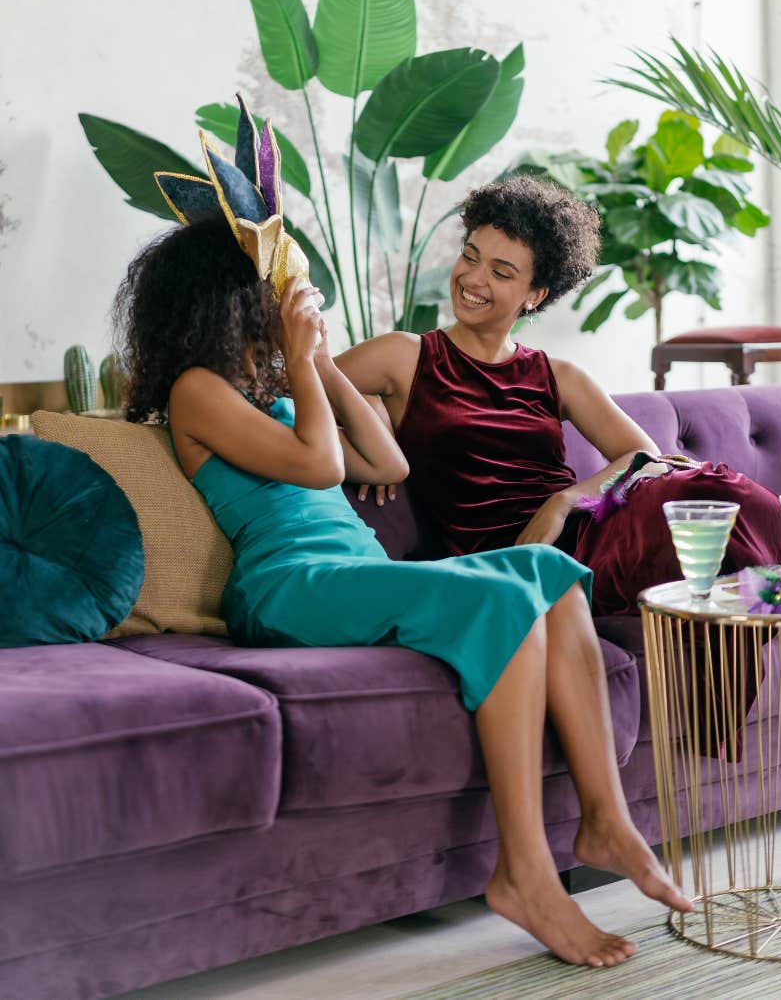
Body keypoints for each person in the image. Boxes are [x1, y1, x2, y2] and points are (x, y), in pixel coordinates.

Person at [113, 211, 692, 971]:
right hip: (289, 587)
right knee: (503, 595)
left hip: (347, 576)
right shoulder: (198, 392)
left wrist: (314, 365)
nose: (285, 305)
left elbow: (387, 463)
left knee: (553, 576)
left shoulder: (277, 393)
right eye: (272, 292)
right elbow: (323, 466)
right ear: (225, 301)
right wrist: (299, 358)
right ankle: (524, 873)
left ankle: (606, 820)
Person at [335, 176, 781, 611]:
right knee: (713, 529)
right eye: (470, 257)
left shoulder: (557, 375)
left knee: (716, 497)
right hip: (508, 559)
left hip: (584, 532)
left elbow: (643, 458)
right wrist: (372, 418)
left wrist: (564, 501)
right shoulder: (402, 356)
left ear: (534, 294)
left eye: (501, 271)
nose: (474, 279)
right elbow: (292, 390)